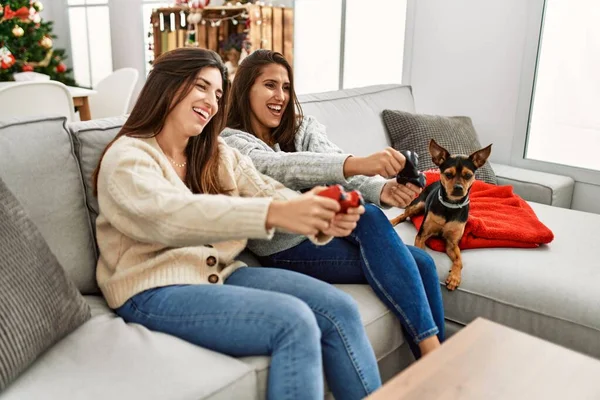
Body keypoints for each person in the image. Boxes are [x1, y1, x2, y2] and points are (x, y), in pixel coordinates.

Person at [92, 48, 382, 400]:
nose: (211, 102)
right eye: (201, 86)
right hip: (151, 288)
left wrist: (319, 213)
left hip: (219, 272)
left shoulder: (212, 152)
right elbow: (172, 216)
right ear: (166, 86)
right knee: (293, 321)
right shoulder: (128, 156)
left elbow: (265, 191)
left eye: (217, 94)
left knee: (339, 308)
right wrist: (273, 214)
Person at [223, 49, 445, 358]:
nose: (281, 95)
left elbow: (335, 166)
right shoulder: (232, 143)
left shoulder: (302, 128)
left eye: (286, 87)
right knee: (367, 216)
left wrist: (383, 190)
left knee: (423, 264)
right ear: (246, 90)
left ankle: (432, 369)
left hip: (333, 235)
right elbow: (283, 167)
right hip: (287, 247)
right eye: (270, 85)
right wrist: (360, 163)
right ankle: (435, 356)